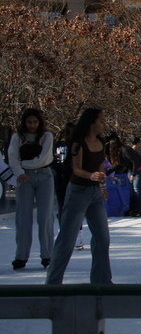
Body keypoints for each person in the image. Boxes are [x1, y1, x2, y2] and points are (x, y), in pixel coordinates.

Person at [45, 108, 113, 285]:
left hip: (95, 193)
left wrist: (102, 184)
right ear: (91, 123)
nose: (104, 123)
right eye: (101, 120)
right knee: (67, 238)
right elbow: (76, 169)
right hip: (78, 192)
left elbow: (100, 165)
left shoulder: (101, 140)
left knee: (102, 238)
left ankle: (102, 281)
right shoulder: (78, 143)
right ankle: (53, 282)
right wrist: (91, 176)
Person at [8, 108, 55, 270]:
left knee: (45, 217)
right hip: (24, 178)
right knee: (23, 217)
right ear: (24, 122)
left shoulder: (46, 136)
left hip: (44, 176)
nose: (32, 125)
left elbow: (44, 159)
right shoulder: (17, 137)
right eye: (29, 122)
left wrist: (23, 164)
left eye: (35, 122)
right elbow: (12, 157)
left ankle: (47, 255)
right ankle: (21, 256)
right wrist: (19, 172)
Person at [52, 121, 74, 223]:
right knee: (61, 205)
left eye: (68, 132)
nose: (65, 134)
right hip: (59, 179)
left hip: (73, 179)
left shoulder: (77, 145)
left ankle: (77, 233)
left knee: (73, 207)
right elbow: (52, 162)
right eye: (63, 132)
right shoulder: (57, 145)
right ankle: (62, 229)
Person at [124, 137, 141, 217]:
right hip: (135, 169)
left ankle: (138, 208)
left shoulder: (130, 149)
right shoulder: (134, 149)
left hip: (140, 168)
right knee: (134, 189)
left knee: (136, 188)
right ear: (138, 142)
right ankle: (135, 208)